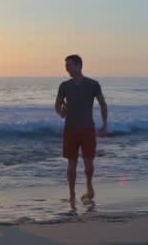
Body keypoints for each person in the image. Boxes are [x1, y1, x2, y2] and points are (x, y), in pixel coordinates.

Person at [54, 54, 108, 203]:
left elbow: (103, 105)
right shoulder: (64, 86)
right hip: (70, 129)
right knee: (71, 163)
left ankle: (89, 187)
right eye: (66, 66)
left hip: (87, 129)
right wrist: (61, 112)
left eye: (69, 65)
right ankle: (71, 194)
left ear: (79, 66)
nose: (67, 68)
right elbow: (57, 106)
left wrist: (104, 125)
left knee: (89, 164)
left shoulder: (93, 84)